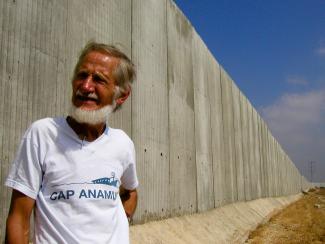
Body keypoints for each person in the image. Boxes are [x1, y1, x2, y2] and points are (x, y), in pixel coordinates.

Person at [5, 42, 138, 244]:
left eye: (99, 79)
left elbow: (131, 192)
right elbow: (19, 218)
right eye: (82, 75)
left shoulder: (123, 144)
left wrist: (123, 220)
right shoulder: (43, 134)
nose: (85, 86)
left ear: (122, 95)